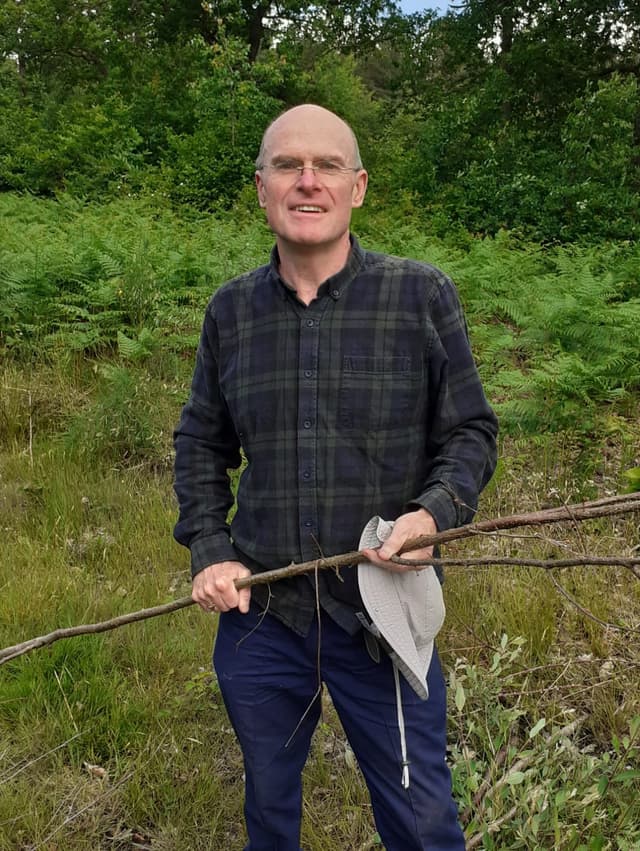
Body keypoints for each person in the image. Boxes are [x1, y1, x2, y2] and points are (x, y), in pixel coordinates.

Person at [173, 103, 498, 851]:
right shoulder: (231, 311)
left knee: (422, 822)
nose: (307, 181)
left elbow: (470, 431)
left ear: (358, 186)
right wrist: (211, 550)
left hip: (382, 613)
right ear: (262, 187)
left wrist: (433, 514)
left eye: (327, 166)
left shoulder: (419, 296)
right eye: (288, 165)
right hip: (263, 614)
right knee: (269, 810)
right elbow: (200, 442)